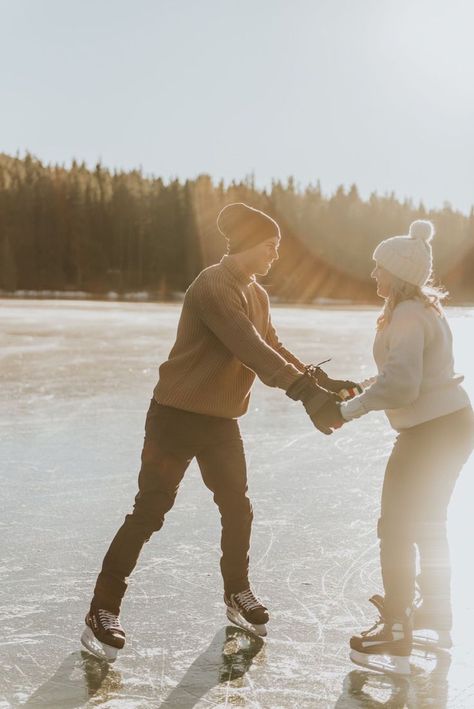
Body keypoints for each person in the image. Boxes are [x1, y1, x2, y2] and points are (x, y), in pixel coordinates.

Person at [81, 202, 349, 662]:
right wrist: (303, 392)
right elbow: (246, 345)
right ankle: (102, 609)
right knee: (150, 512)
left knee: (237, 509)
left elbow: (270, 343)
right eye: (270, 246)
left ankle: (237, 593)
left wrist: (316, 380)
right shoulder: (212, 285)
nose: (275, 256)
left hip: (221, 421)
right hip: (175, 416)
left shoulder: (257, 293)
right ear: (248, 244)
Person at [339, 220, 474, 676]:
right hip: (452, 425)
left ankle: (397, 626)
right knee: (429, 524)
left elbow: (402, 386)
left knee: (396, 526)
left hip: (431, 432)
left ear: (396, 273)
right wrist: (361, 386)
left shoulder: (409, 314)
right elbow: (406, 374)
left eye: (379, 268)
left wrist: (349, 410)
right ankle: (435, 616)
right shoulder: (421, 309)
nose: (372, 273)